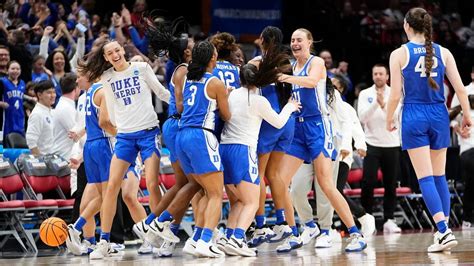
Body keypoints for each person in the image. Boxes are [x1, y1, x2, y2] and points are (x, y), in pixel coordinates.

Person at [386, 7, 472, 252]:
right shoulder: (443, 52)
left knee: (425, 178)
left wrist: (389, 118)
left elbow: (394, 94)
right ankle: (442, 230)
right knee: (439, 176)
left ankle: (443, 231)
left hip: (414, 114)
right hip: (438, 114)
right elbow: (461, 89)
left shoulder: (399, 53)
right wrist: (467, 114)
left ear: (406, 25)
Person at [276, 28, 367, 252]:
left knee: (326, 185)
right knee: (280, 181)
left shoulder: (315, 63)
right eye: (292, 40)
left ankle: (355, 233)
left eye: (299, 40)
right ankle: (301, 229)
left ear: (309, 42)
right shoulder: (291, 66)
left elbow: (311, 82)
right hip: (298, 128)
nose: (295, 43)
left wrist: (283, 76)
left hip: (318, 126)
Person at [82, 40, 170, 260]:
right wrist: (116, 127)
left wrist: (183, 105)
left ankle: (158, 232)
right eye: (109, 53)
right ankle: (104, 241)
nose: (114, 55)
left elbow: (161, 92)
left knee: (151, 183)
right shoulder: (106, 78)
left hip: (149, 133)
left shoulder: (141, 68)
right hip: (124, 137)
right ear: (105, 58)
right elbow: (109, 111)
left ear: (123, 51)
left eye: (117, 50)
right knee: (112, 187)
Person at [152, 41, 230, 258]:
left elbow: (180, 105)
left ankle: (193, 238)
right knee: (216, 194)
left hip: (181, 136)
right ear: (213, 58)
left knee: (201, 188)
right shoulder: (215, 83)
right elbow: (227, 115)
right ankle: (205, 241)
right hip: (200, 136)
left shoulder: (188, 79)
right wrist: (227, 96)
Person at [220, 46, 300, 257]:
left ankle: (228, 237)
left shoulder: (231, 94)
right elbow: (279, 121)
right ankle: (238, 238)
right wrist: (291, 106)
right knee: (252, 200)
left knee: (237, 200)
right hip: (243, 150)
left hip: (223, 149)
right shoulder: (259, 100)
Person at [139, 17, 201, 257]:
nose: (197, 50)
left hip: (175, 126)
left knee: (186, 184)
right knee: (190, 183)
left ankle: (156, 225)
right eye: (193, 48)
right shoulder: (184, 71)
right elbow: (181, 104)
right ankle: (159, 224)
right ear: (186, 53)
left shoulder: (183, 68)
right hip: (179, 125)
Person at [247, 26, 295, 249]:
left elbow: (245, 75)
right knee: (275, 174)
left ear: (264, 40)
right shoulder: (288, 62)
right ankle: (282, 222)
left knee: (258, 174)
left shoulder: (259, 62)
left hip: (270, 119)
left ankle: (259, 226)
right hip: (288, 121)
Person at [357, 64, 402, 234]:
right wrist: (376, 103)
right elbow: (362, 118)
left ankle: (389, 219)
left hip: (391, 143)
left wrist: (384, 105)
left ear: (387, 76)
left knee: (391, 184)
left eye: (381, 74)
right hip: (371, 143)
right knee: (368, 182)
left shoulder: (395, 93)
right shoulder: (365, 94)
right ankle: (367, 218)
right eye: (375, 73)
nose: (378, 76)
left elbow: (396, 118)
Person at [52, 73, 80, 160]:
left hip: (67, 156)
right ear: (76, 88)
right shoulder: (65, 107)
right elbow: (76, 134)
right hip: (65, 157)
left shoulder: (67, 105)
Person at [25, 80, 56, 155]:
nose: (53, 95)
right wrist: (41, 161)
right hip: (45, 161)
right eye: (49, 92)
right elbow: (31, 141)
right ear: (39, 95)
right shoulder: (37, 114)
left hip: (54, 158)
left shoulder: (51, 111)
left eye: (54, 92)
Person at [0, 61, 27, 143]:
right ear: (7, 70)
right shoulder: (2, 82)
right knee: (5, 141)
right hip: (6, 118)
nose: (15, 71)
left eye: (17, 69)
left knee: (18, 142)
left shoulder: (22, 83)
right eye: (12, 68)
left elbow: (20, 96)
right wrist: (1, 103)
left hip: (19, 116)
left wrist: (31, 98)